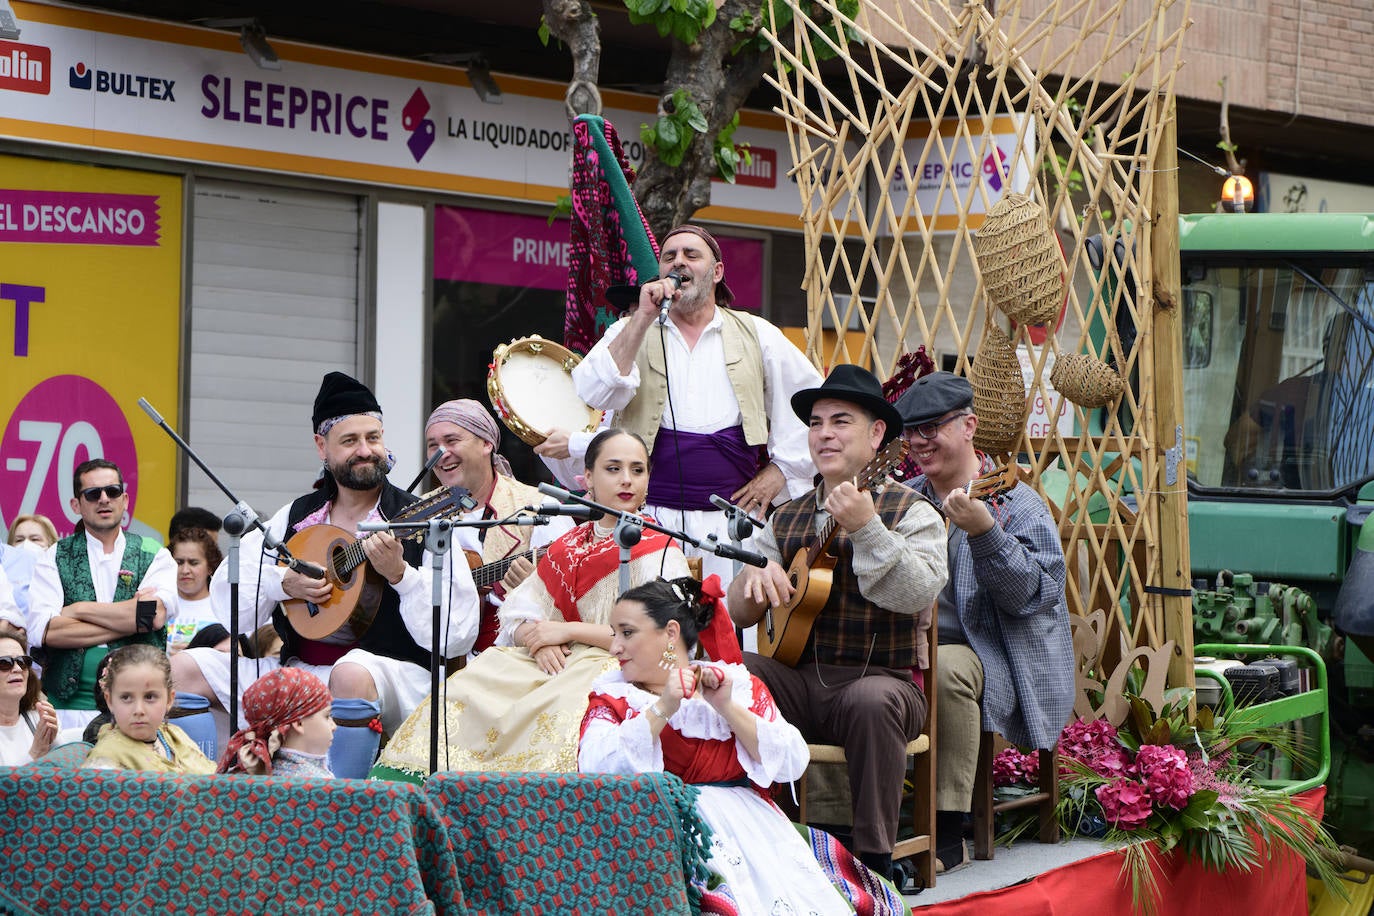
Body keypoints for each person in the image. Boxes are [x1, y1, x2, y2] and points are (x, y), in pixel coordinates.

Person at [176, 372, 480, 779]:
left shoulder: (418, 517)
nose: (366, 450)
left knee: (350, 672)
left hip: (391, 674)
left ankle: (342, 808)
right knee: (185, 669)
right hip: (302, 668)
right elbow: (228, 598)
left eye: (373, 437)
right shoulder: (297, 515)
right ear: (322, 446)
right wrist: (282, 583)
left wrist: (401, 575)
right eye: (350, 441)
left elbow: (457, 634)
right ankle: (201, 791)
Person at [728, 364, 947, 882]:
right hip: (801, 681)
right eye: (816, 422)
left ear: (876, 436)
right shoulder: (785, 516)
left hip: (883, 685)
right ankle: (747, 837)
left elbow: (918, 590)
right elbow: (738, 611)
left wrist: (868, 529)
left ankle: (874, 864)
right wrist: (757, 580)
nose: (824, 433)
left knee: (871, 702)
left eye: (841, 421)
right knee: (729, 672)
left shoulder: (914, 512)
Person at [371, 429, 690, 782]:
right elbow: (517, 613)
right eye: (613, 469)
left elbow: (661, 641)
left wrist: (565, 630)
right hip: (554, 658)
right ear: (587, 480)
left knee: (563, 702)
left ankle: (526, 806)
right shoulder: (568, 544)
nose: (626, 480)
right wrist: (538, 640)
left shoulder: (661, 548)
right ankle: (427, 795)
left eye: (637, 470)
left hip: (616, 664)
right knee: (470, 685)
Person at [579, 578, 904, 915]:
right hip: (654, 834)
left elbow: (791, 760)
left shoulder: (737, 685)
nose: (614, 647)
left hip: (751, 832)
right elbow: (596, 771)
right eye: (614, 634)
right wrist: (663, 708)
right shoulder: (614, 698)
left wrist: (727, 708)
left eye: (627, 633)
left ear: (671, 633)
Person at [562, 224, 821, 592]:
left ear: (716, 272)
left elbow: (810, 403)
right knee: (650, 625)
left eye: (690, 255)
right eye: (669, 257)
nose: (678, 262)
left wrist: (782, 470)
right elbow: (593, 391)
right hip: (649, 518)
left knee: (727, 632)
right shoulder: (632, 327)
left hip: (732, 522)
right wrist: (641, 320)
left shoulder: (757, 332)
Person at [894, 371, 1075, 871]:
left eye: (931, 427)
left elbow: (1034, 597)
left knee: (947, 667)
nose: (917, 442)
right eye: (910, 430)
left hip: (995, 653)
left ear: (969, 425)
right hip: (908, 641)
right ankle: (843, 828)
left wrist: (986, 533)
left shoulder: (1017, 503)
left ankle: (946, 835)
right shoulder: (906, 498)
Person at [27, 459, 178, 739]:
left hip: (138, 708)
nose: (104, 499)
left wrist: (77, 610)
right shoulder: (54, 556)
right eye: (93, 494)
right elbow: (46, 631)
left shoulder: (154, 553)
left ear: (125, 499)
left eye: (112, 491)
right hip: (66, 708)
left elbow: (152, 615)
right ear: (76, 505)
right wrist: (132, 619)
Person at [423, 399, 574, 654]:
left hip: (513, 657)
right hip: (431, 659)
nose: (441, 453)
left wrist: (536, 588)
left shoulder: (538, 508)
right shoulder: (420, 512)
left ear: (486, 444)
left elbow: (572, 592)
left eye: (451, 441)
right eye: (432, 446)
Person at [84, 644, 216, 774]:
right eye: (126, 698)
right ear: (110, 701)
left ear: (169, 700)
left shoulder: (175, 736)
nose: (139, 710)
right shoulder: (106, 760)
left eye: (150, 697)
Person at [219, 667, 336, 777]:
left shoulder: (247, 775)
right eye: (327, 716)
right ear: (299, 723)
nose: (334, 726)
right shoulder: (319, 784)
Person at [0, 634, 59, 766]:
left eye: (22, 661)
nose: (18, 669)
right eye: (4, 663)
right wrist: (36, 753)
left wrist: (54, 745)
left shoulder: (39, 718)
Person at [166, 527, 223, 654]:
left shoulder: (224, 608)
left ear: (210, 567)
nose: (185, 570)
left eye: (193, 563)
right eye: (179, 562)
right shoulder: (160, 602)